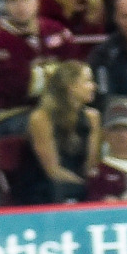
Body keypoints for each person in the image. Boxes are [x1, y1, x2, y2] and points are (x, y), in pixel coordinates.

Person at [13, 56, 98, 205]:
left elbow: (91, 165)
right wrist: (84, 186)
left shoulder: (93, 117)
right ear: (70, 86)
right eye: (88, 81)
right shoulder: (41, 118)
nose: (93, 86)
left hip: (78, 184)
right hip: (43, 187)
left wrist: (91, 186)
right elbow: (52, 170)